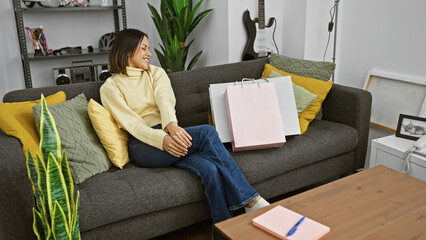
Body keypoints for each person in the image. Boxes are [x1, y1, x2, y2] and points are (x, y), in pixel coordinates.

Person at [100, 28, 269, 224]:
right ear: (128, 50)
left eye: (149, 48)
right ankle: (250, 200)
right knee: (206, 133)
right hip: (143, 145)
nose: (149, 53)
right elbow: (132, 124)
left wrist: (171, 127)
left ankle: (223, 230)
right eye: (144, 48)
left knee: (210, 170)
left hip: (167, 132)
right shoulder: (110, 87)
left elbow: (165, 101)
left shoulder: (156, 73)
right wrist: (162, 139)